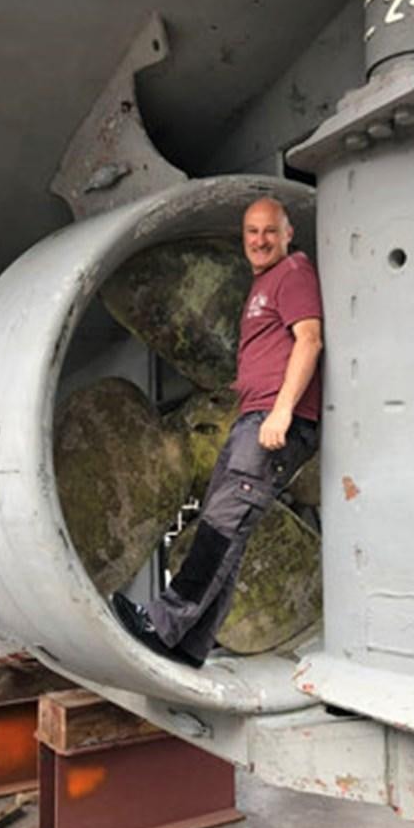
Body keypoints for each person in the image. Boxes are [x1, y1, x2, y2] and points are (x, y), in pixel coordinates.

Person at [112, 197, 323, 667]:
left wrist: (282, 413)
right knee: (227, 531)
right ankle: (191, 644)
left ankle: (163, 624)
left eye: (270, 231)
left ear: (288, 234)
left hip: (272, 420)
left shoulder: (294, 275)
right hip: (253, 413)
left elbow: (309, 341)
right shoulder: (264, 283)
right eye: (252, 231)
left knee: (220, 529)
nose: (260, 240)